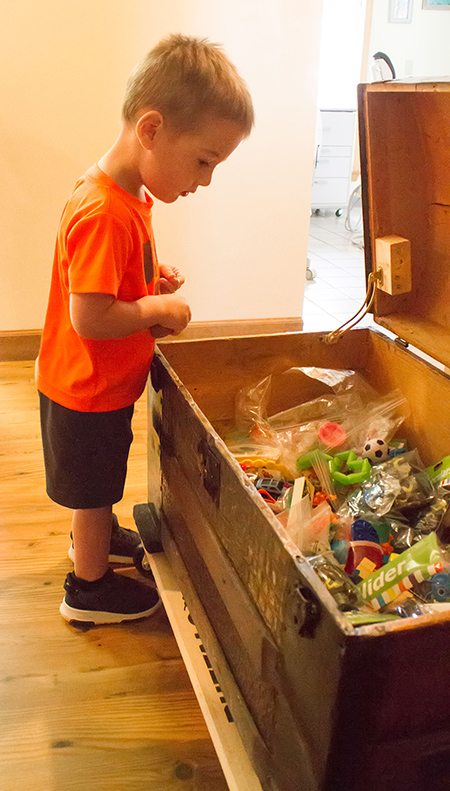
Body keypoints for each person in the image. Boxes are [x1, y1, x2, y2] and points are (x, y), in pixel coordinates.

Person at [36, 33, 254, 626]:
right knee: (94, 488)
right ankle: (88, 589)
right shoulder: (106, 211)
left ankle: (99, 539)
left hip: (92, 384)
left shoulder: (123, 195)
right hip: (85, 390)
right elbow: (91, 315)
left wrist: (149, 277)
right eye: (204, 160)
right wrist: (156, 312)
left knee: (99, 480)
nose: (205, 180)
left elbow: (103, 280)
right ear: (152, 130)